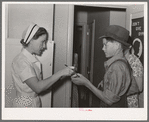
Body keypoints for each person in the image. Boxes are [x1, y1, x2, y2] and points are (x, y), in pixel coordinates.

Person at [11, 23, 75, 107]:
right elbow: (38, 87)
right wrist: (61, 72)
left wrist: (63, 75)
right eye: (42, 42)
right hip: (24, 106)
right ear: (31, 40)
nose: (44, 46)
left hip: (32, 103)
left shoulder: (30, 58)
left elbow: (42, 84)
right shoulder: (21, 61)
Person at [71, 25, 132, 107]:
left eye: (105, 45)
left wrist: (86, 83)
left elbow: (108, 100)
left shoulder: (117, 67)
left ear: (117, 45)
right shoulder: (121, 62)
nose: (103, 48)